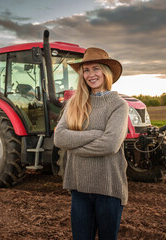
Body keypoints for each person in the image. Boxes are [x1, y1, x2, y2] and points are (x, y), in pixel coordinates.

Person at [54, 47, 128, 240]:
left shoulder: (118, 105)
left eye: (96, 68)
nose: (90, 74)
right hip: (79, 188)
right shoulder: (74, 103)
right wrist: (95, 134)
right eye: (86, 70)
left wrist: (74, 146)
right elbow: (59, 138)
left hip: (108, 189)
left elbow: (110, 145)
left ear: (106, 71)